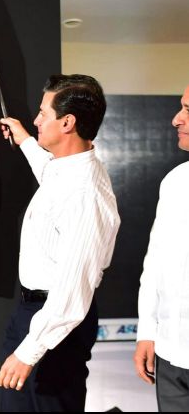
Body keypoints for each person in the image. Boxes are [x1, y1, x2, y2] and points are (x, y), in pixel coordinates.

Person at [0, 74, 121, 411]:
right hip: (36, 315)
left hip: (56, 326)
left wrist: (28, 351)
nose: (36, 120)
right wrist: (24, 140)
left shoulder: (85, 194)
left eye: (43, 114)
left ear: (67, 123)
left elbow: (72, 290)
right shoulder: (67, 169)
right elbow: (50, 175)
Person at [134, 84, 189, 411]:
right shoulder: (174, 182)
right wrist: (147, 331)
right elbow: (154, 264)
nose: (175, 120)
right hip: (171, 355)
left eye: (188, 110)